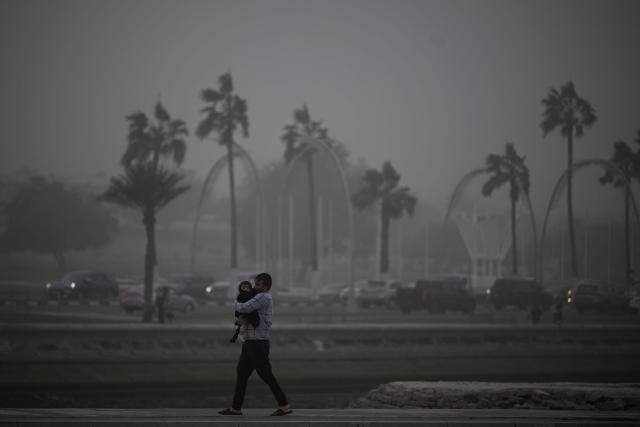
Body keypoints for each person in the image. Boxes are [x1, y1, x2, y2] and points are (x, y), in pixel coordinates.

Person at [219, 272, 291, 417]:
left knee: (266, 375)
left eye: (258, 285)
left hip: (258, 343)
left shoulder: (263, 297)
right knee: (242, 373)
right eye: (255, 284)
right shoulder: (257, 295)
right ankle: (236, 408)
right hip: (250, 342)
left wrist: (235, 301)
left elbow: (243, 308)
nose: (255, 287)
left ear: (266, 286)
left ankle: (284, 405)